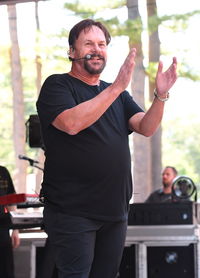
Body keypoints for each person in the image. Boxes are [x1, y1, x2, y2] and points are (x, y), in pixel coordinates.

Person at [36, 19, 178, 278]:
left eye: (102, 44)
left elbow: (146, 127)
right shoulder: (57, 85)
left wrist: (161, 96)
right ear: (71, 52)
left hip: (114, 212)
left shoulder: (117, 94)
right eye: (88, 43)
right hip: (72, 211)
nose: (97, 49)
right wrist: (115, 88)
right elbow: (71, 123)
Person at [0, 165, 20, 278]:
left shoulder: (2, 172)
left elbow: (11, 200)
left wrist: (15, 229)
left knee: (5, 270)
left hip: (2, 229)